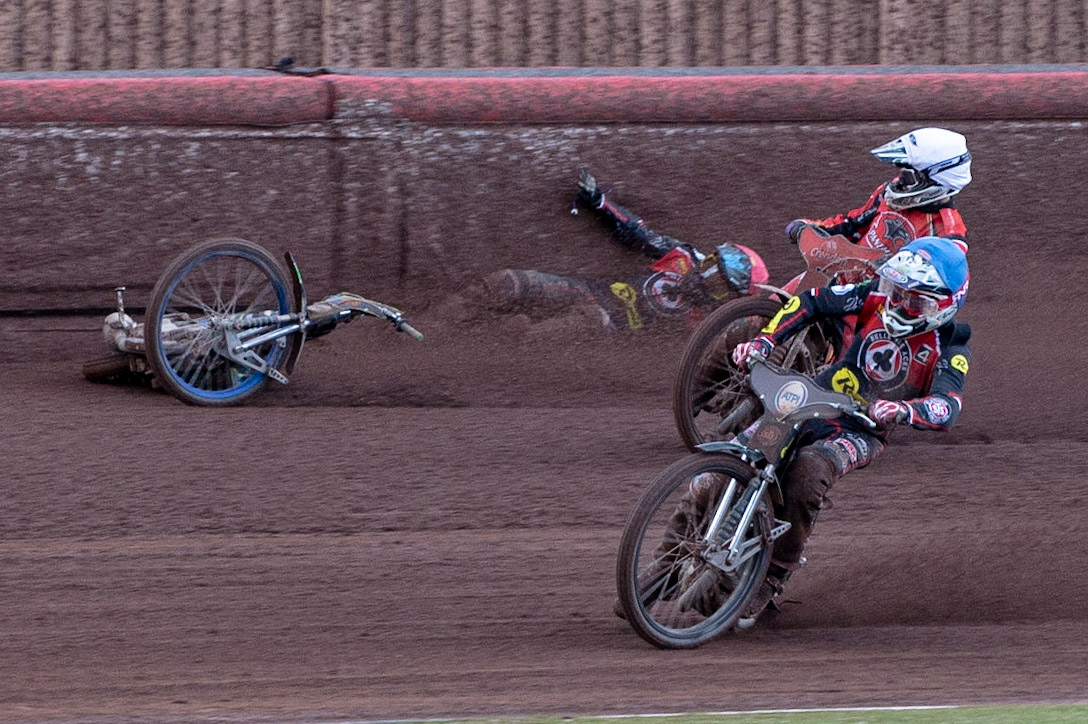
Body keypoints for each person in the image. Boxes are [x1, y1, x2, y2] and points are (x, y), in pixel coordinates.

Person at [725, 235, 971, 625]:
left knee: (808, 472)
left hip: (862, 429)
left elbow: (947, 406)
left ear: (944, 306)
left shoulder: (951, 347)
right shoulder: (873, 296)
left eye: (914, 301)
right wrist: (765, 341)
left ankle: (773, 575)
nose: (898, 304)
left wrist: (904, 410)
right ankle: (664, 559)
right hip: (813, 396)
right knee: (729, 462)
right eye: (897, 292)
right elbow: (812, 301)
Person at [479, 169, 769, 330]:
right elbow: (637, 234)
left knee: (534, 333)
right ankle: (449, 326)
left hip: (605, 327)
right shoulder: (683, 256)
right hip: (592, 292)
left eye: (719, 283)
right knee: (507, 283)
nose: (706, 276)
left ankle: (486, 349)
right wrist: (599, 202)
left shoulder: (712, 326)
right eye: (712, 266)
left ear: (730, 300)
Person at [782, 127, 972, 290]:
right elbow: (853, 224)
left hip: (878, 303)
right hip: (838, 278)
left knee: (806, 312)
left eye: (908, 175)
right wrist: (811, 228)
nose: (900, 180)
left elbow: (942, 285)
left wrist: (892, 269)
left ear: (936, 180)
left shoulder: (949, 235)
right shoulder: (889, 195)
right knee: (779, 301)